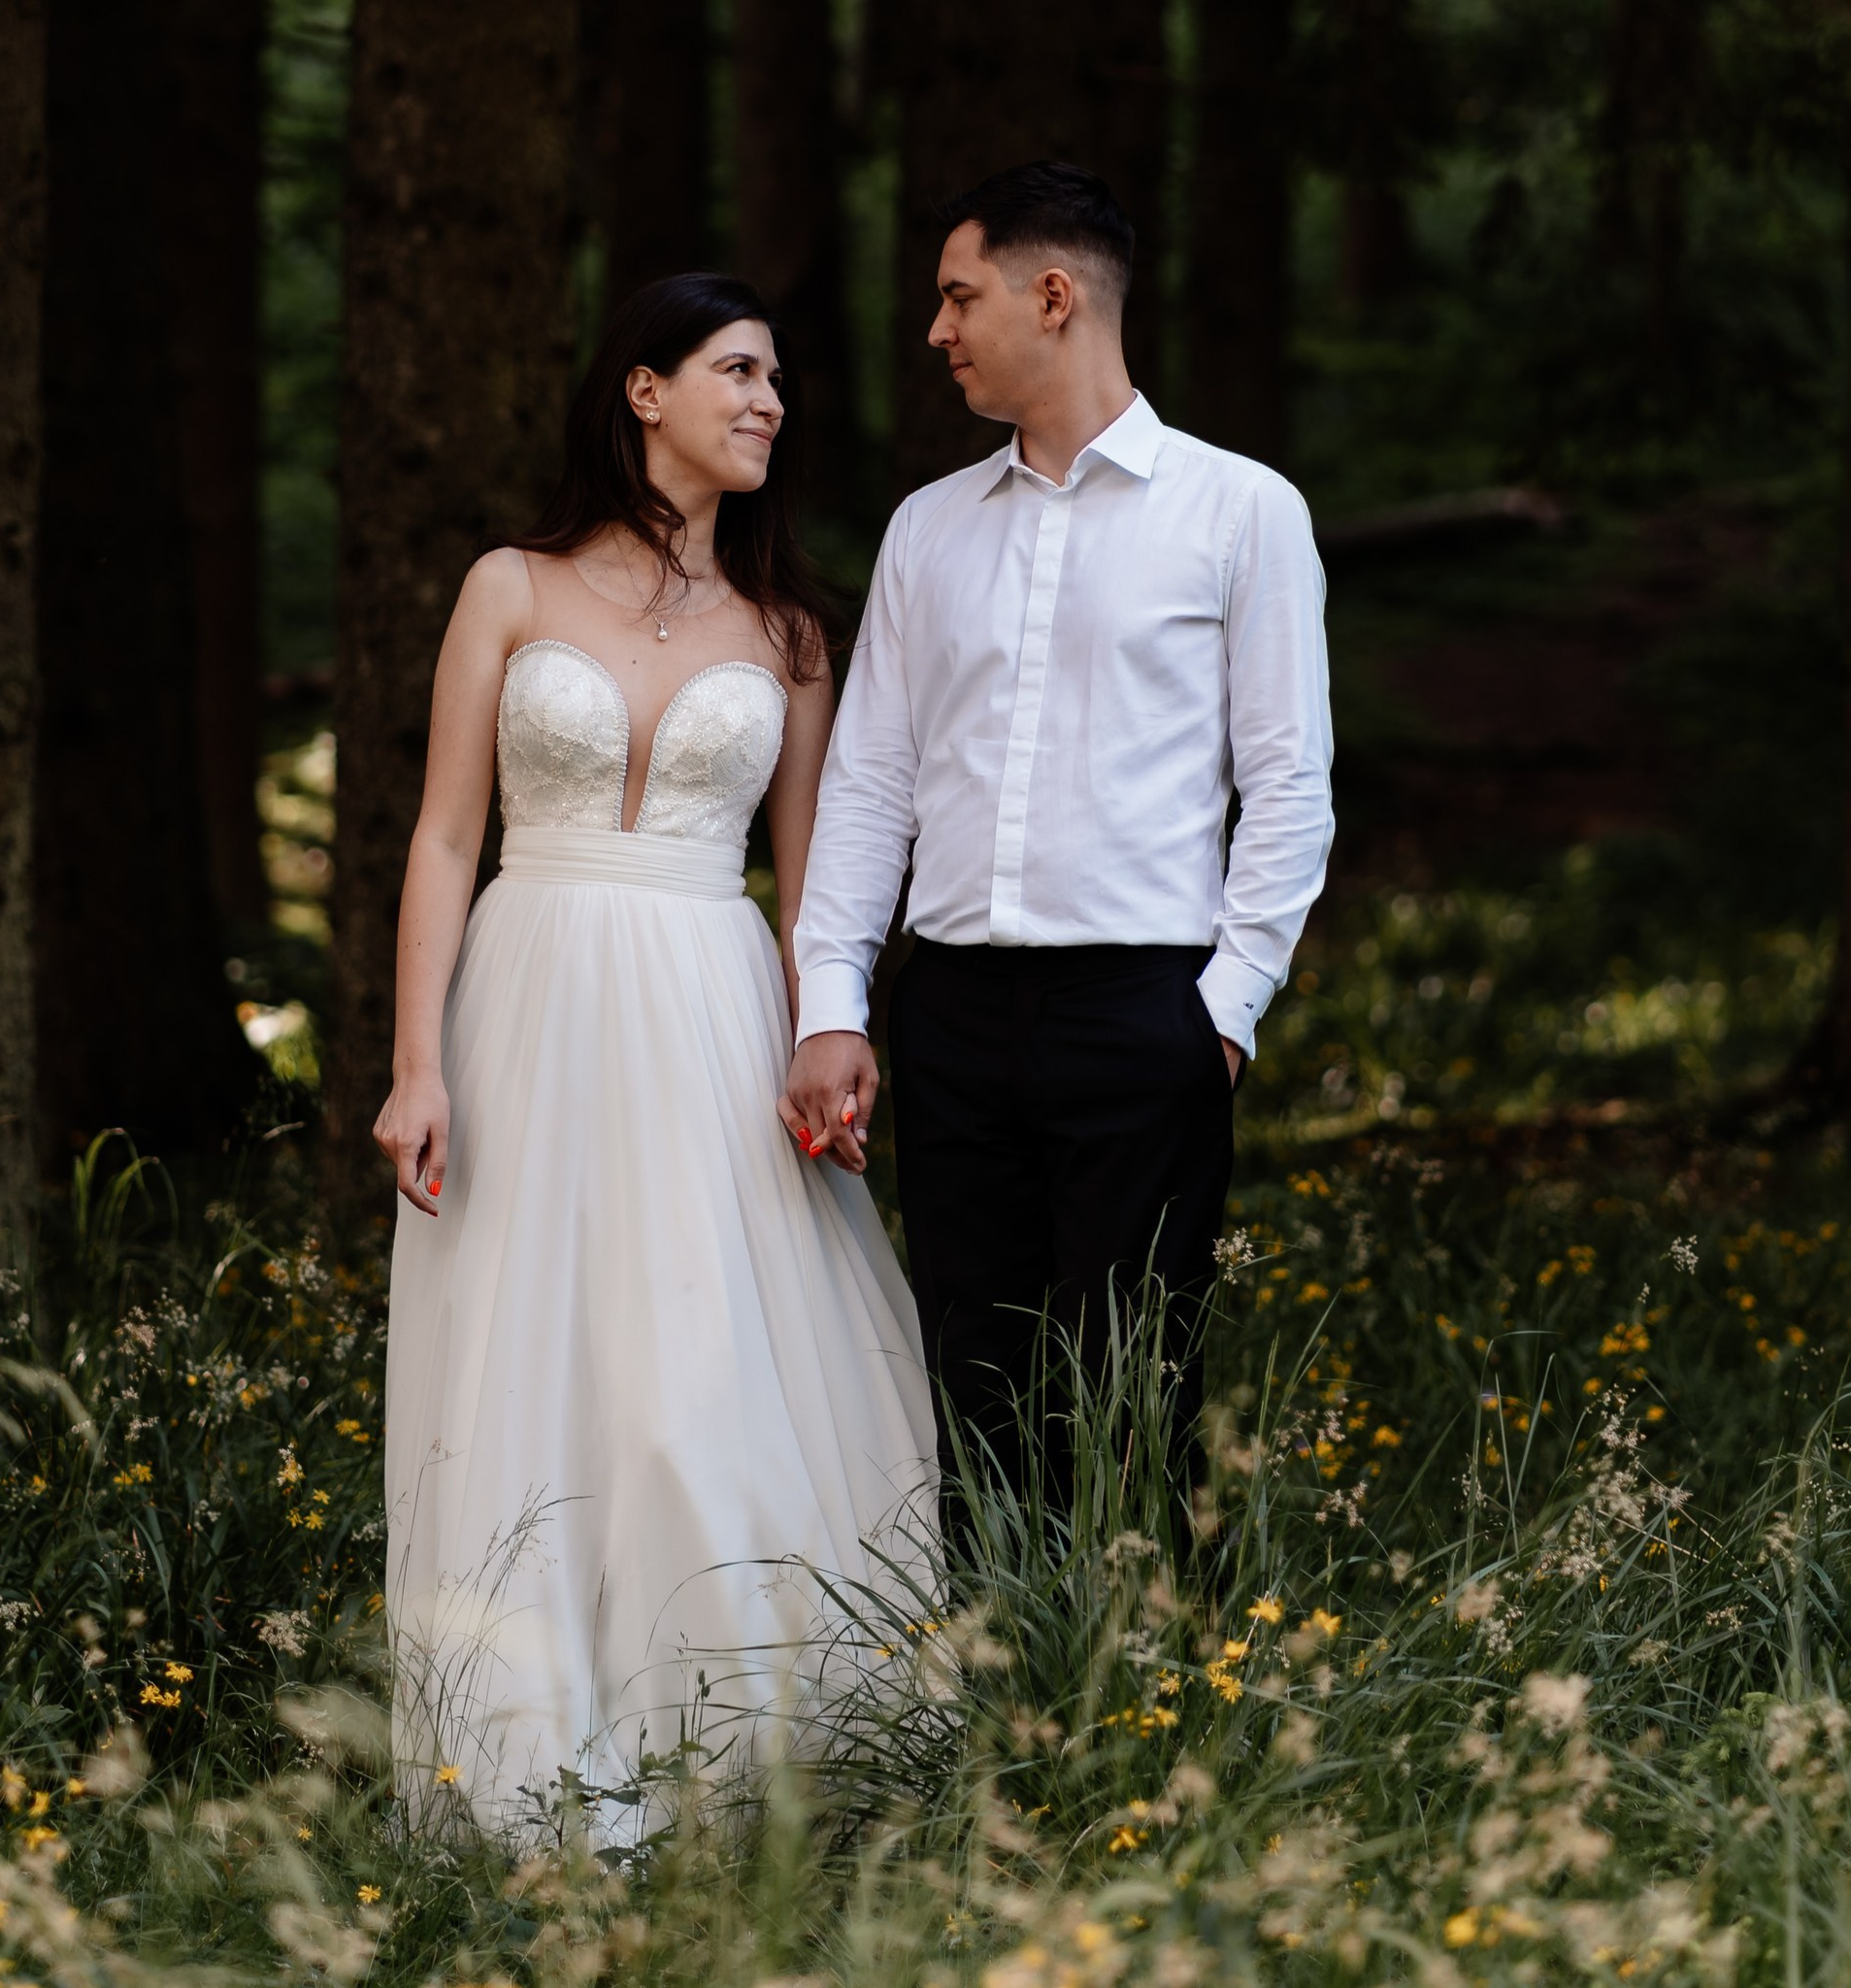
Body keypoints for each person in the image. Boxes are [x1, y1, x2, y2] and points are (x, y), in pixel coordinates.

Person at [374, 274, 935, 1841]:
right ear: (644, 390)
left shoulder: (792, 631)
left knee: (695, 1362)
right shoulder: (509, 585)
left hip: (706, 995)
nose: (768, 402)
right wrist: (418, 1063)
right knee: (532, 1356)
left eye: (777, 382)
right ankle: (523, 1754)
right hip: (531, 988)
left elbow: (818, 874)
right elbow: (441, 837)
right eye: (738, 371)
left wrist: (837, 1035)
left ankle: (737, 1757)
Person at [782, 161, 1336, 1541]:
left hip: (1146, 1013)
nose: (938, 330)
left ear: (1054, 294)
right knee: (974, 1377)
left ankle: (1154, 1708)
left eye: (958, 296)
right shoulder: (927, 529)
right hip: (954, 1013)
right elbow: (867, 788)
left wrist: (1223, 1013)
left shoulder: (1241, 511)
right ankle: (994, 1701)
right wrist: (835, 1004)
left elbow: (1288, 784)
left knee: (1139, 1381)